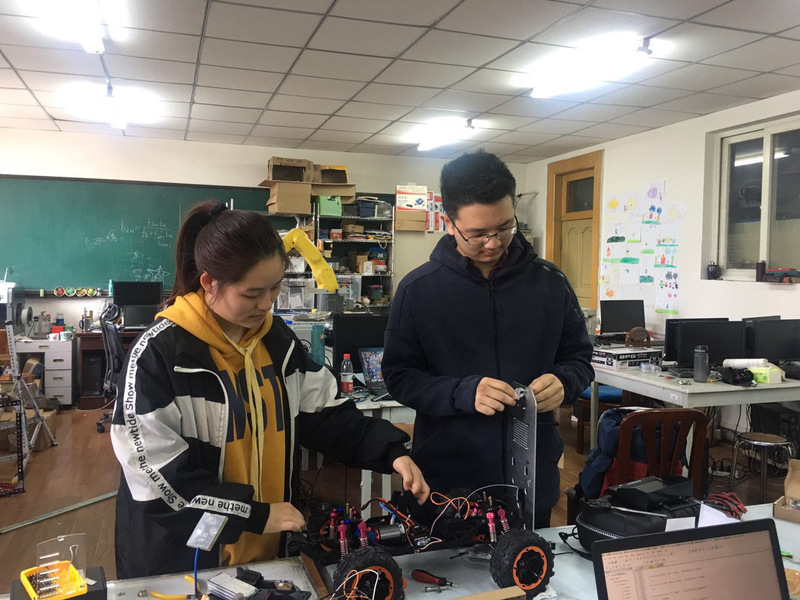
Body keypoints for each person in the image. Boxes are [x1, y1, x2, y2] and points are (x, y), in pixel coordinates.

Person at [111, 201, 429, 579]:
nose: (266, 304)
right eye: (252, 293)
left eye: (275, 288)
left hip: (267, 556)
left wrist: (391, 452)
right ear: (209, 283)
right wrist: (254, 514)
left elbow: (326, 414)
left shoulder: (277, 342)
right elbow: (155, 479)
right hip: (185, 563)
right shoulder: (158, 356)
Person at [382, 151, 593, 529]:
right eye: (478, 233)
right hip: (449, 478)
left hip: (532, 472)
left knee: (530, 564)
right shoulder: (418, 290)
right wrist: (463, 392)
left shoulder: (550, 283)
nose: (493, 243)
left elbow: (579, 358)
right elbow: (399, 377)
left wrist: (565, 381)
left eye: (505, 227)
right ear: (449, 223)